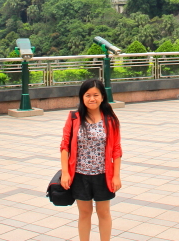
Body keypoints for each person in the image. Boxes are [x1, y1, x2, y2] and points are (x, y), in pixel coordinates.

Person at [60, 79, 122, 241]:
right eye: (87, 95)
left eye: (96, 95)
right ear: (82, 97)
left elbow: (116, 149)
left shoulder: (111, 120)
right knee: (84, 213)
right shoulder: (74, 118)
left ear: (103, 97)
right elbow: (64, 146)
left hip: (103, 174)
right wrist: (65, 173)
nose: (92, 99)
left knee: (104, 212)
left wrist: (116, 176)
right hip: (80, 175)